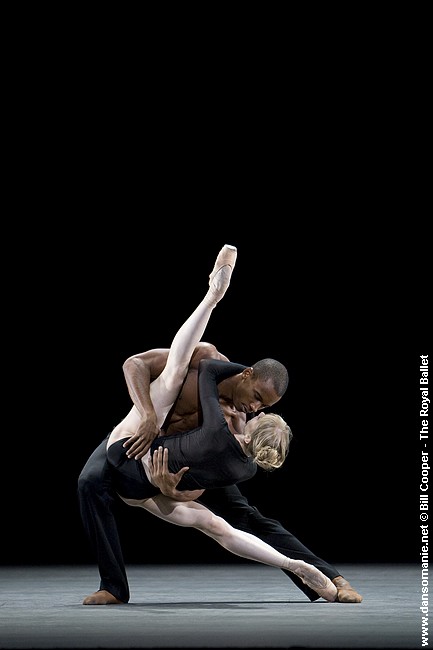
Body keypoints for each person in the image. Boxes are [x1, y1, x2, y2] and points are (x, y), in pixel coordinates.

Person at [78, 245, 363, 605]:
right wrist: (148, 414)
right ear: (246, 374)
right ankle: (114, 587)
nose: (255, 407)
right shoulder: (206, 360)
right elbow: (134, 364)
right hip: (141, 434)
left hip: (180, 464)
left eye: (265, 406)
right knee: (89, 482)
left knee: (245, 516)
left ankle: (330, 578)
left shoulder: (236, 420)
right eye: (257, 396)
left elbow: (203, 475)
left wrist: (173, 490)